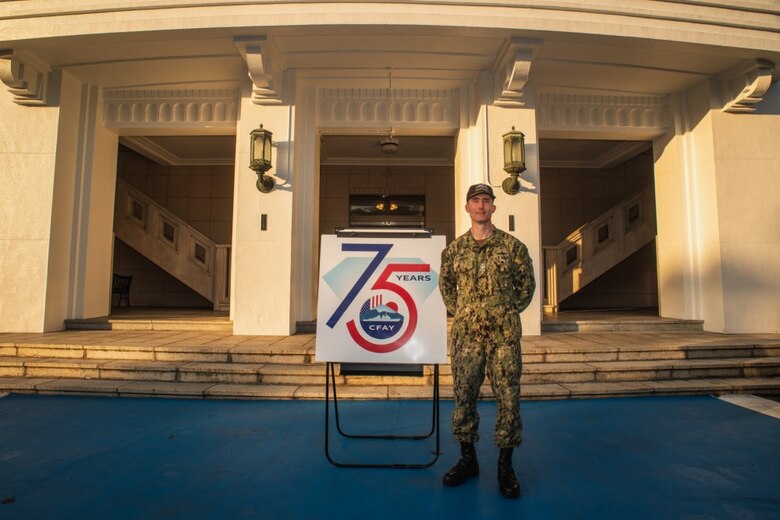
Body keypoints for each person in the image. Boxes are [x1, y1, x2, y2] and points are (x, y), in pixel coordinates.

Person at [438, 183, 535, 499]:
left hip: (503, 339)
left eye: (486, 200)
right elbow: (446, 287)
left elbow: (527, 287)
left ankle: (505, 465)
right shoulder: (454, 251)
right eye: (475, 201)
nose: (480, 205)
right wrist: (466, 312)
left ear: (493, 207)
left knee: (509, 398)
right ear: (467, 208)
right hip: (467, 339)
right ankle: (468, 460)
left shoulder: (512, 248)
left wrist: (504, 311)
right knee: (464, 397)